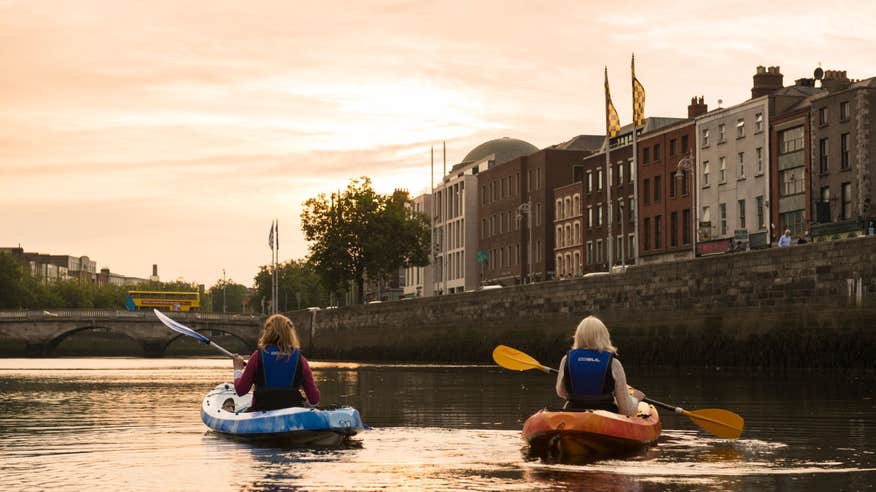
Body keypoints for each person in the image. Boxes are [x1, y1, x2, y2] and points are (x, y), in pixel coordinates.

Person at [555, 315, 644, 416]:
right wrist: (636, 398)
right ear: (604, 336)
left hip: (574, 414)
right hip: (607, 417)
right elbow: (626, 410)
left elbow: (561, 392)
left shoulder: (566, 360)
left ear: (578, 336)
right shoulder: (614, 364)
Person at [232, 314, 320, 411]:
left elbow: (240, 390)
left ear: (267, 333)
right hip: (293, 413)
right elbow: (314, 399)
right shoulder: (301, 359)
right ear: (290, 333)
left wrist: (237, 369)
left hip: (261, 411)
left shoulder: (257, 357)